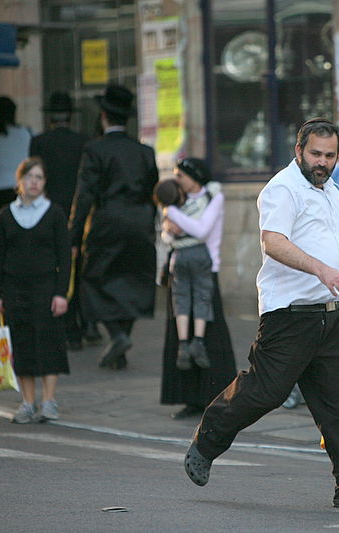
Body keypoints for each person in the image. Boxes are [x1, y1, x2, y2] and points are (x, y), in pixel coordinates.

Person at [183, 118, 339, 509]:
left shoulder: (331, 190)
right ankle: (208, 438)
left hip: (331, 315)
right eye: (315, 154)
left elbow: (336, 247)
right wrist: (321, 270)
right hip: (290, 315)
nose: (323, 162)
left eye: (330, 155)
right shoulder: (282, 188)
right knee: (266, 391)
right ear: (298, 150)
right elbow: (274, 243)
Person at [69, 84, 159, 370]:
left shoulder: (94, 149)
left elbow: (84, 195)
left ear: (103, 115)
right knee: (133, 280)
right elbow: (153, 191)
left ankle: (117, 335)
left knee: (93, 278)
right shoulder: (145, 151)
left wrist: (73, 233)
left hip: (106, 221)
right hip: (140, 220)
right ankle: (120, 346)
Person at [0, 157, 71, 423]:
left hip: (46, 288)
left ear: (44, 183)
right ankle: (26, 402)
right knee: (21, 344)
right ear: (19, 181)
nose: (34, 182)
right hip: (14, 290)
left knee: (48, 342)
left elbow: (65, 257)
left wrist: (62, 293)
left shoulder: (54, 213)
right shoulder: (6, 214)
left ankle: (49, 401)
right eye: (29, 177)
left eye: (39, 178)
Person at [159, 158, 237, 420]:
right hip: (179, 269)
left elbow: (202, 230)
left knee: (209, 337)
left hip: (206, 271)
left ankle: (216, 397)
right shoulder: (176, 199)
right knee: (181, 335)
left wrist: (172, 215)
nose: (176, 179)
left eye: (180, 174)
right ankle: (189, 398)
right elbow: (167, 236)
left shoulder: (214, 197)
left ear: (194, 177)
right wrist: (170, 227)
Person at [29, 91, 99, 351]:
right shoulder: (84, 142)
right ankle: (83, 324)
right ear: (70, 115)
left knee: (57, 270)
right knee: (79, 270)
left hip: (49, 213)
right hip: (79, 214)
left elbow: (36, 181)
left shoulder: (38, 143)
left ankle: (64, 325)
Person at [157, 161, 214, 371]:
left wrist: (168, 220)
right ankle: (198, 340)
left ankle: (182, 343)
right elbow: (202, 230)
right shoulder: (201, 202)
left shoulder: (169, 210)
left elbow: (166, 237)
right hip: (199, 252)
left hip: (178, 256)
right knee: (202, 295)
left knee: (180, 298)